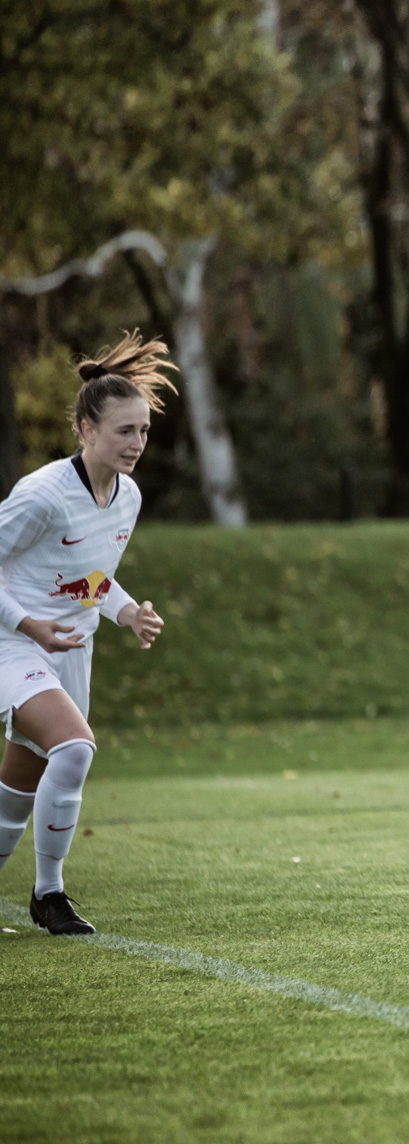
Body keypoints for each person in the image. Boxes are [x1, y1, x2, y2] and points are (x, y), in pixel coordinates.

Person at [0, 333, 172, 933]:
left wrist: (127, 612)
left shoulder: (129, 498)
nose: (137, 444)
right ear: (86, 430)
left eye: (144, 431)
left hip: (70, 651)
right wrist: (27, 624)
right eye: (124, 431)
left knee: (21, 779)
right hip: (14, 642)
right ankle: (50, 895)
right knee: (75, 747)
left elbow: (91, 579)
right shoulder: (42, 494)